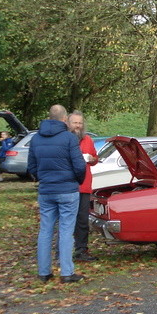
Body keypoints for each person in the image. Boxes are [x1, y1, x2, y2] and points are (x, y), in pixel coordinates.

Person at [27, 105, 87, 283]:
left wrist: (42, 178)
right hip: (67, 190)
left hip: (46, 190)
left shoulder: (36, 138)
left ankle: (44, 272)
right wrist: (77, 181)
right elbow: (79, 165)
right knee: (66, 230)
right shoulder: (69, 138)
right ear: (64, 119)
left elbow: (31, 166)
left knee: (45, 230)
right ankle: (66, 272)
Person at [68, 111, 99, 262]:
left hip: (84, 185)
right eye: (75, 123)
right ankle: (64, 250)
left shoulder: (88, 140)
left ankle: (81, 249)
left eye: (80, 123)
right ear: (68, 123)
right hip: (68, 185)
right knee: (67, 219)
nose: (78, 126)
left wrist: (92, 159)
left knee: (82, 219)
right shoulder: (65, 139)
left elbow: (95, 159)